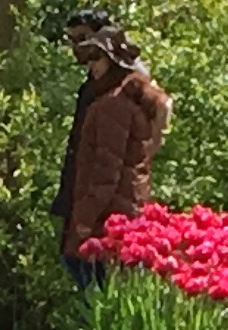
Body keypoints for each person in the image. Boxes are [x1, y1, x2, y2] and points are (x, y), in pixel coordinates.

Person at [57, 14, 169, 293]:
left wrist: (84, 219)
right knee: (110, 288)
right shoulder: (125, 99)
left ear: (114, 62)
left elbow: (106, 171)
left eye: (97, 57)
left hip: (106, 216)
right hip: (120, 210)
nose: (90, 64)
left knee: (90, 281)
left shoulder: (112, 106)